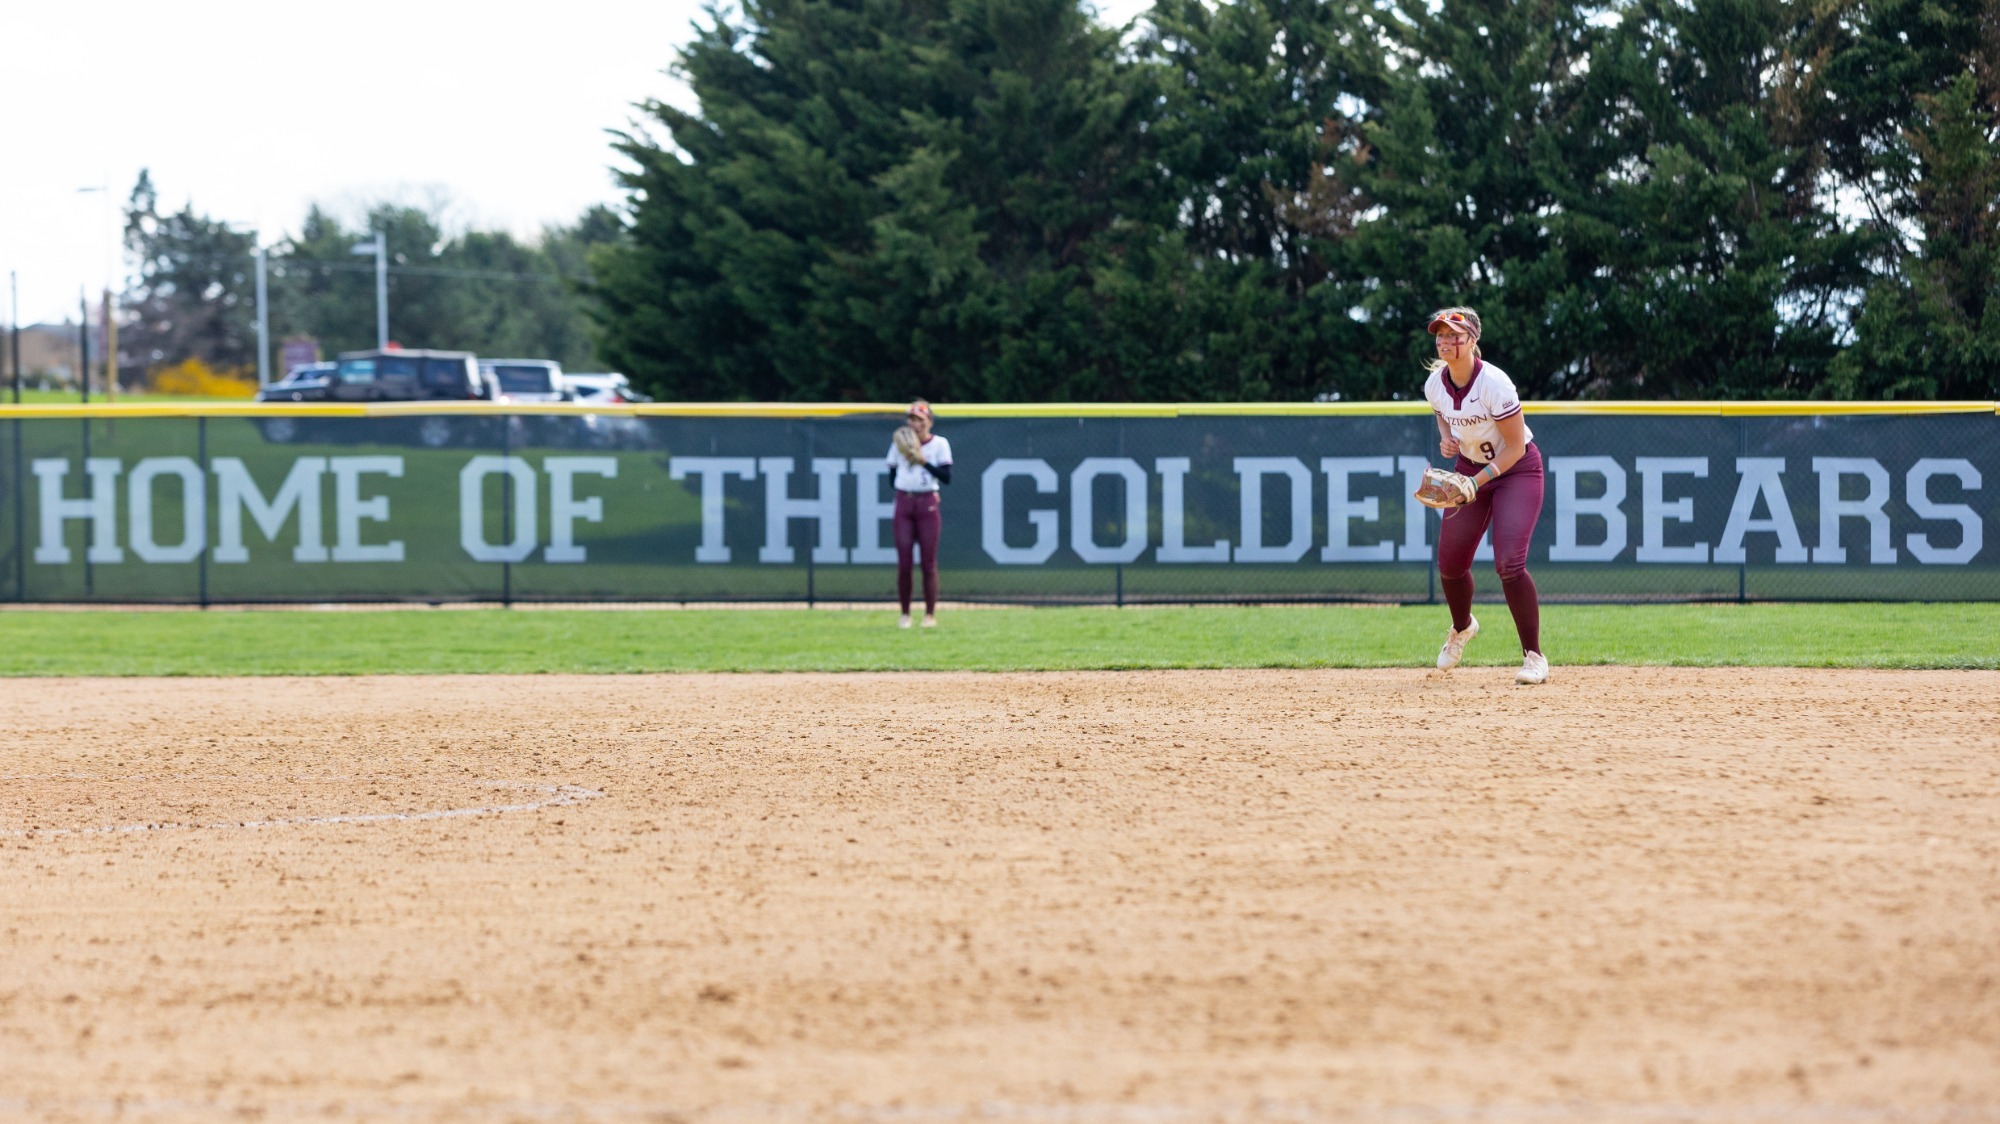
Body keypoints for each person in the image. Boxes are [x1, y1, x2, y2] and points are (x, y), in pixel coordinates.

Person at [1421, 307, 1549, 684]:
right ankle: (1462, 627)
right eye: (1441, 334)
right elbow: (1441, 409)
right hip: (1469, 470)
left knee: (1509, 564)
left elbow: (1514, 448)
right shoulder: (1434, 383)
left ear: (1472, 340)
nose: (1445, 341)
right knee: (1450, 565)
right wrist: (1446, 436)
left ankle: (1534, 657)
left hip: (1517, 471)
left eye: (1454, 334)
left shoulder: (1494, 383)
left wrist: (1477, 482)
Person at [888, 399, 953, 628]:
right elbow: (892, 478)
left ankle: (929, 614)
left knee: (928, 562)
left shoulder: (939, 444)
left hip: (927, 503)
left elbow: (946, 477)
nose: (915, 424)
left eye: (920, 419)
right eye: (912, 419)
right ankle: (905, 614)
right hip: (905, 502)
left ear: (929, 422)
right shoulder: (899, 444)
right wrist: (908, 457)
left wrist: (923, 462)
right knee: (904, 563)